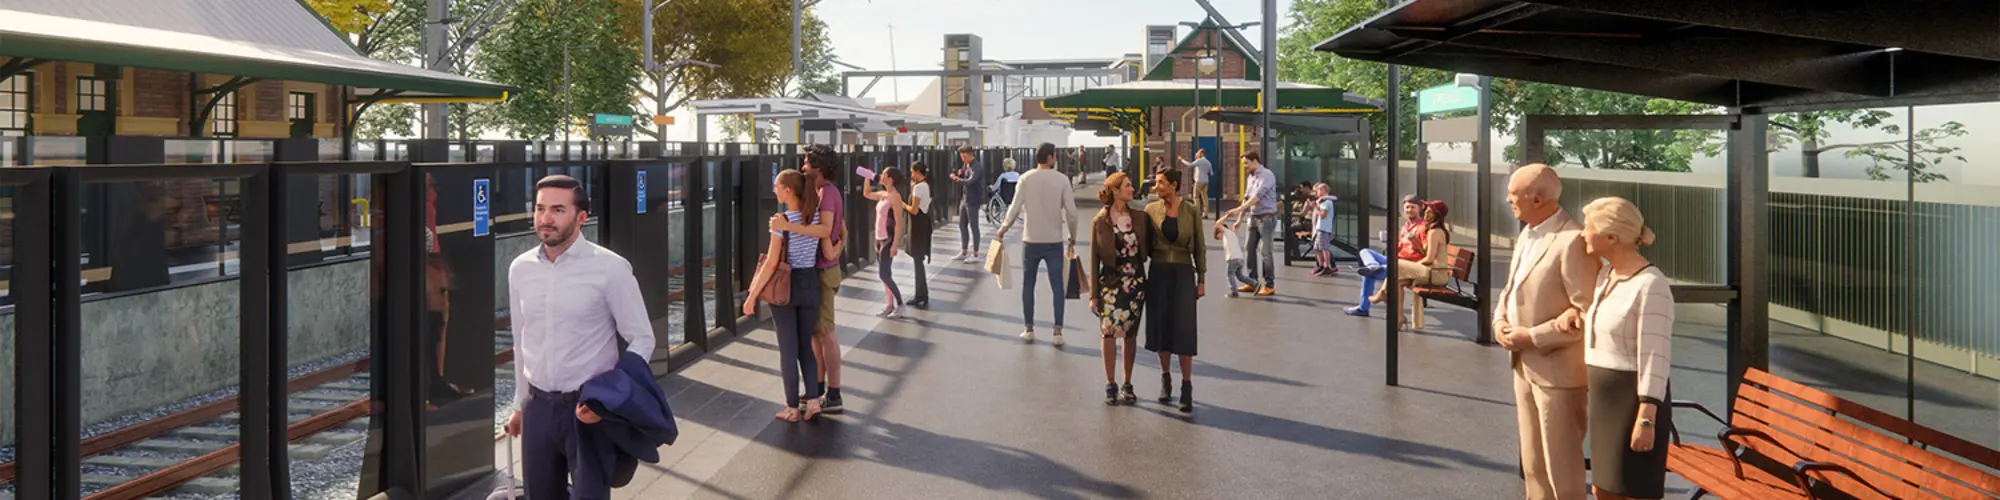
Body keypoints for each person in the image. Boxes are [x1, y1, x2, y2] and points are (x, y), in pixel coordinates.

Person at [503, 175, 658, 499]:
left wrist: (609, 399)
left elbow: (642, 338)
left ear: (581, 217)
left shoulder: (611, 269)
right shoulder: (520, 269)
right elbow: (521, 340)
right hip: (538, 409)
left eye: (558, 209)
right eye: (540, 208)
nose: (546, 218)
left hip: (587, 410)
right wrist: (520, 405)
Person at [1493, 164, 1600, 500]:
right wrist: (1499, 321)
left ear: (1537, 199)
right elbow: (1510, 289)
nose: (1508, 198)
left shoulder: (1572, 242)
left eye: (1513, 193)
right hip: (1523, 365)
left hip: (1559, 375)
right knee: (1534, 464)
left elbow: (1587, 312)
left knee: (1561, 468)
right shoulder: (1527, 233)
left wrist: (1533, 336)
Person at [1576, 196, 1673, 500]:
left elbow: (1655, 355)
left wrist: (1646, 418)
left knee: (1630, 491)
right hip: (1605, 402)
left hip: (1631, 402)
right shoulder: (1606, 276)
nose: (1582, 233)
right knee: (1603, 488)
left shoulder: (1651, 285)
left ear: (1611, 237)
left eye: (1587, 227)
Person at [767, 145, 848, 413]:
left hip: (822, 272)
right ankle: (817, 390)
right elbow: (840, 229)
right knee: (814, 335)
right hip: (819, 269)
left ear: (818, 167)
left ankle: (833, 394)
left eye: (806, 163)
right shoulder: (825, 194)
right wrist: (837, 247)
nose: (803, 168)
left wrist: (787, 226)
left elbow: (825, 228)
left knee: (825, 332)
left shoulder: (826, 194)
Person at [744, 169, 827, 423]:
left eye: (777, 186)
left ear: (788, 191)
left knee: (788, 350)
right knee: (806, 346)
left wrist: (752, 296)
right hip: (810, 284)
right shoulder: (814, 218)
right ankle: (813, 401)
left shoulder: (781, 222)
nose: (774, 190)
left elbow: (771, 263)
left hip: (786, 290)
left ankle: (792, 407)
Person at [996, 142, 1080, 346]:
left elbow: (1014, 208)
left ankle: (1029, 328)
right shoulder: (1061, 180)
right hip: (1053, 241)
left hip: (1031, 240)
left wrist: (1003, 230)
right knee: (1057, 286)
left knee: (1028, 284)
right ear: (1051, 158)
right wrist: (1072, 236)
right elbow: (1072, 213)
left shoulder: (1025, 179)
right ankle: (1057, 332)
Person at [1144, 169, 1206, 413]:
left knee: (1184, 328)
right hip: (1158, 272)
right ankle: (1165, 378)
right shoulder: (1150, 210)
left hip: (1182, 273)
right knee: (1161, 326)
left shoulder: (1190, 211)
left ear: (1173, 185)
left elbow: (1200, 246)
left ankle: (1187, 386)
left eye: (1160, 183)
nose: (1156, 186)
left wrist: (1201, 279)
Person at [1089, 172, 1149, 406]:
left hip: (1135, 284)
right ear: (1115, 190)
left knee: (1130, 334)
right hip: (1111, 285)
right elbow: (1094, 260)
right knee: (1109, 332)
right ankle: (1110, 383)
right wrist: (1094, 295)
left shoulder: (1140, 218)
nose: (1132, 188)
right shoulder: (1100, 221)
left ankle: (1127, 383)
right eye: (1127, 185)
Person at [1370, 200, 1453, 326]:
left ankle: (1382, 293)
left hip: (1436, 274)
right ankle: (1399, 317)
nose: (1426, 214)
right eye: (1426, 211)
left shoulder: (1434, 232)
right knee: (1396, 282)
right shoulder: (1431, 230)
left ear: (1437, 216)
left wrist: (1413, 266)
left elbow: (1429, 258)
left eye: (1430, 212)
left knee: (1397, 264)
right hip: (1431, 271)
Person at [1346, 195, 1423, 317]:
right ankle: (1373, 265)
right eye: (1407, 207)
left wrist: (1414, 241)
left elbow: (1425, 251)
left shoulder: (1423, 227)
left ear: (1420, 208)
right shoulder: (1406, 226)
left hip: (1407, 266)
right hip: (1396, 259)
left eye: (1413, 207)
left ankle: (1363, 307)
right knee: (1365, 252)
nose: (1409, 210)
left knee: (1368, 273)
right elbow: (1400, 246)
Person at [1222, 151, 1280, 296]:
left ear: (1255, 161)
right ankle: (1252, 282)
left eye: (1246, 163)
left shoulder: (1267, 175)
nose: (1245, 167)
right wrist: (1239, 218)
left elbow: (1257, 196)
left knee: (1266, 251)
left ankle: (1269, 285)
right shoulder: (1251, 177)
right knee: (1249, 248)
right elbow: (1246, 197)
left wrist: (1238, 209)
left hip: (1266, 217)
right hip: (1253, 216)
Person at [863, 167, 909, 318]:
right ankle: (889, 305)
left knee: (884, 275)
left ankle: (901, 304)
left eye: (883, 174)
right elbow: (867, 194)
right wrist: (867, 177)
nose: (880, 177)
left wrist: (895, 244)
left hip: (888, 239)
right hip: (878, 238)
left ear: (890, 179)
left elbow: (898, 222)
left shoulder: (895, 197)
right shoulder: (884, 194)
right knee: (885, 274)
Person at [904, 163, 934, 308]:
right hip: (923, 224)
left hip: (917, 225)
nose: (911, 175)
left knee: (917, 261)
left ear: (917, 172)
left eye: (912, 172)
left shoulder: (918, 187)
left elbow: (914, 210)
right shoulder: (925, 185)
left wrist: (902, 204)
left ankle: (920, 295)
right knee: (918, 261)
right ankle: (921, 294)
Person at [948, 145, 985, 263]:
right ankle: (964, 251)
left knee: (974, 226)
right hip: (964, 199)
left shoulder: (976, 167)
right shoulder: (966, 165)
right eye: (961, 157)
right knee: (962, 225)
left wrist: (956, 179)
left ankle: (975, 253)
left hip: (973, 200)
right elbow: (963, 174)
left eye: (964, 156)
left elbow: (970, 181)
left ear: (970, 154)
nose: (962, 159)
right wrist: (959, 173)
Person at [1213, 208, 1252, 298]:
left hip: (1232, 258)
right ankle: (1254, 284)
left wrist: (1227, 216)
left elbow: (1217, 224)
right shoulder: (1232, 234)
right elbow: (1234, 228)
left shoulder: (1226, 233)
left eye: (1218, 236)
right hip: (1240, 258)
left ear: (1220, 231)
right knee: (1240, 276)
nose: (1219, 238)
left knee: (1229, 275)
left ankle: (1234, 292)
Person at [1310, 183, 1339, 276]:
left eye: (1318, 190)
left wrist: (1315, 208)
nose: (1317, 193)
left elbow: (1323, 214)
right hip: (1320, 228)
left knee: (1324, 248)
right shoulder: (1323, 202)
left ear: (1323, 190)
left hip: (1324, 229)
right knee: (1317, 247)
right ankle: (1321, 265)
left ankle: (1327, 266)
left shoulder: (1327, 202)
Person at [1178, 149, 1212, 216]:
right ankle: (1206, 213)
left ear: (1202, 153)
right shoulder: (1208, 162)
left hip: (1199, 181)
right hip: (1206, 181)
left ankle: (1197, 212)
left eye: (1198, 153)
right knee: (1205, 197)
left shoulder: (1199, 161)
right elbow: (1211, 173)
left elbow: (1190, 165)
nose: (1197, 155)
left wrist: (1182, 160)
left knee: (1196, 197)